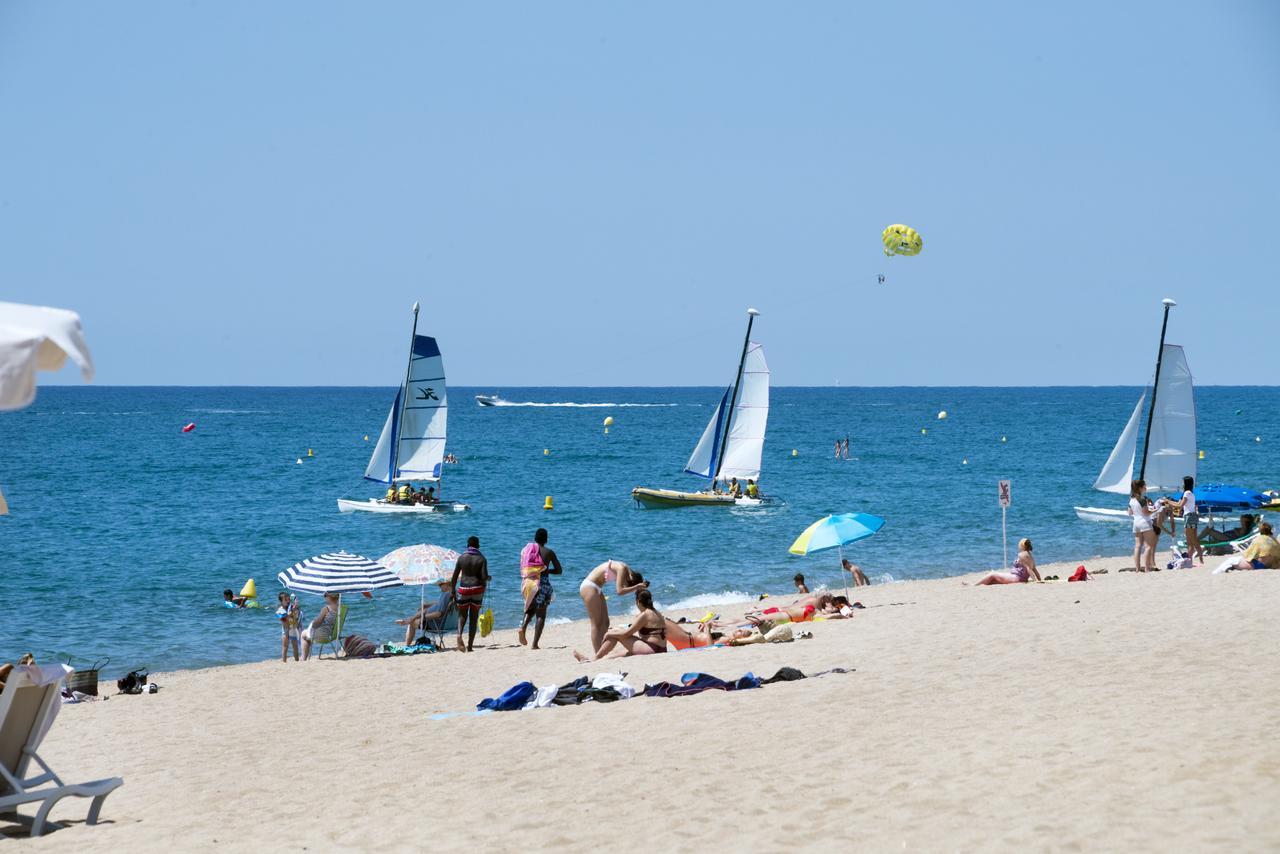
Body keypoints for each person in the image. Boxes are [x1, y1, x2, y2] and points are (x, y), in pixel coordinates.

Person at [579, 559, 649, 654]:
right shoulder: (622, 568)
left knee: (606, 622)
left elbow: (622, 588)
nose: (625, 585)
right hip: (589, 586)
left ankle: (602, 649)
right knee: (596, 624)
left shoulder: (626, 570)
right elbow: (619, 591)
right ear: (631, 579)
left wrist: (638, 587)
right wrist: (637, 587)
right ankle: (598, 652)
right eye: (627, 584)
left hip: (597, 588)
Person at [573, 589, 666, 661]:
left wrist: (609, 634)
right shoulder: (656, 613)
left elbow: (627, 634)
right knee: (614, 656)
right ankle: (591, 660)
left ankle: (596, 657)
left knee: (614, 633)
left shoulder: (645, 614)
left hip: (651, 649)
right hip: (660, 649)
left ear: (638, 602)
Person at [517, 529, 562, 648]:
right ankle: (535, 644)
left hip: (529, 583)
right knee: (541, 615)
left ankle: (523, 627)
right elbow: (559, 570)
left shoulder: (527, 550)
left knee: (530, 608)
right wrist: (546, 570)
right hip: (542, 584)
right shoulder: (549, 552)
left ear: (535, 538)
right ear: (546, 539)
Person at [450, 536, 489, 652]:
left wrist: (453, 590)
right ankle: (470, 646)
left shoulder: (461, 558)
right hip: (477, 590)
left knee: (462, 616)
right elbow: (484, 577)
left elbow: (454, 577)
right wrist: (488, 578)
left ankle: (458, 635)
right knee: (473, 618)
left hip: (464, 589)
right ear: (478, 546)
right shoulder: (482, 559)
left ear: (468, 545)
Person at [395, 579, 455, 645]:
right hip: (449, 624)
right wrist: (427, 605)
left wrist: (423, 618)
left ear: (446, 585)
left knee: (412, 623)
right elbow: (441, 604)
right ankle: (408, 620)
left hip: (437, 624)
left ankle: (407, 644)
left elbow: (438, 614)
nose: (439, 586)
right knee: (423, 609)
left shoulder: (446, 595)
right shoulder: (454, 595)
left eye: (440, 585)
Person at [972, 538, 1043, 585]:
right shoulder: (1030, 555)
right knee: (993, 580)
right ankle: (977, 584)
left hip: (1017, 578)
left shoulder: (1021, 555)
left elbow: (1029, 569)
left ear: (1022, 546)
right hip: (1021, 578)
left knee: (992, 574)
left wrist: (1035, 581)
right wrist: (1039, 579)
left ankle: (973, 585)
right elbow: (1034, 569)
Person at [1216, 522, 1280, 572]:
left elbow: (1248, 555)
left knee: (1231, 560)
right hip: (1272, 565)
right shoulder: (1274, 540)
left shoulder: (1259, 539)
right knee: (1235, 562)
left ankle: (1215, 574)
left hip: (1260, 565)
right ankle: (1227, 569)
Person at [1170, 476, 1205, 565]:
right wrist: (1168, 501)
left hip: (1189, 516)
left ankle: (1196, 560)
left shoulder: (1186, 493)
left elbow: (1179, 506)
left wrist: (1167, 501)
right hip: (1193, 516)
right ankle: (1194, 560)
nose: (1181, 484)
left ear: (1186, 483)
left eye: (1183, 482)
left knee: (1190, 540)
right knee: (1192, 540)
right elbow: (1178, 504)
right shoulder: (1191, 493)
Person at [1128, 479, 1158, 573]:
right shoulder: (1142, 499)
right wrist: (1155, 510)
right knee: (1148, 546)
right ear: (1140, 488)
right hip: (1145, 523)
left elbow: (1130, 513)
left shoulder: (1131, 500)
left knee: (1137, 546)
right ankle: (1146, 568)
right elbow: (1146, 513)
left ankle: (1137, 569)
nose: (1146, 487)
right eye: (1144, 486)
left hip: (1136, 523)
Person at [301, 592, 341, 660]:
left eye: (325, 595)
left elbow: (316, 623)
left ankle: (304, 658)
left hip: (322, 636)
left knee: (303, 634)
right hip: (331, 635)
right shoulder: (340, 609)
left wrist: (313, 623)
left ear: (329, 597)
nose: (324, 598)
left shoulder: (326, 609)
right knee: (309, 632)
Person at [276, 592, 301, 662]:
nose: (288, 601)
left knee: (295, 647)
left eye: (288, 599)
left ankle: (297, 661)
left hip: (293, 629)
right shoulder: (280, 610)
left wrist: (296, 609)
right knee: (285, 647)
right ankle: (284, 661)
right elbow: (284, 619)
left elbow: (296, 616)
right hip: (286, 630)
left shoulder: (291, 607)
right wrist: (291, 612)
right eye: (285, 600)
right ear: (281, 601)